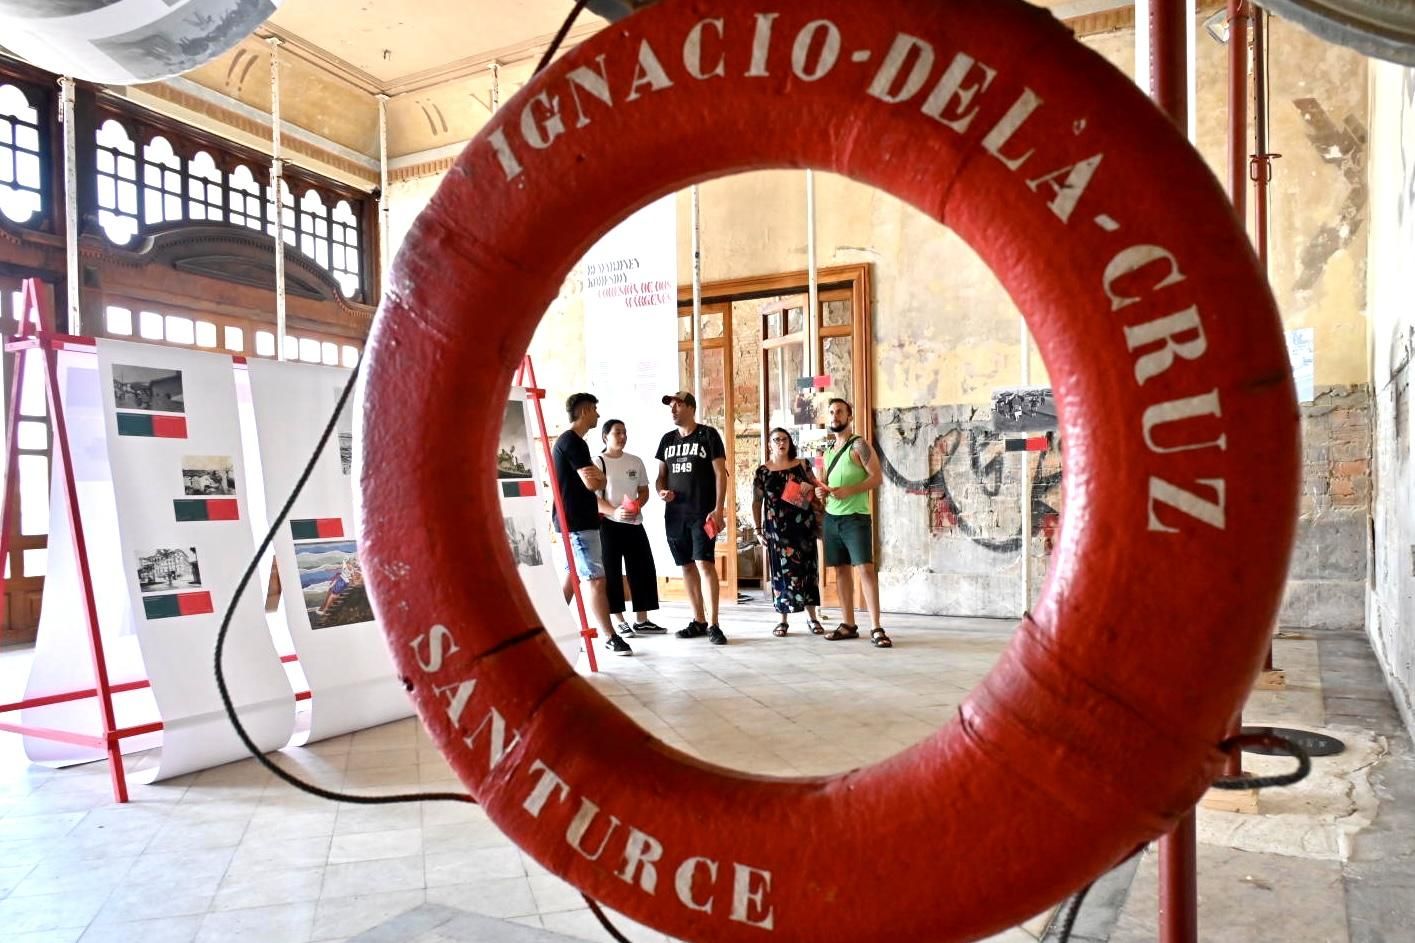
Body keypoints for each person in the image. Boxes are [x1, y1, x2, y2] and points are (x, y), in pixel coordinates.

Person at [553, 393, 632, 656]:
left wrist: (601, 478)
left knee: (573, 577)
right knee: (596, 580)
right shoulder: (572, 442)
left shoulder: (574, 442)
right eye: (595, 409)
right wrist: (601, 478)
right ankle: (610, 636)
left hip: (577, 521)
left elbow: (599, 480)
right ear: (585, 411)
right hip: (577, 523)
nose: (598, 414)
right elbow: (592, 483)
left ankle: (552, 631)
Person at [814, 398, 892, 648]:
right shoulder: (827, 450)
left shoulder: (859, 445)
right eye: (831, 412)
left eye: (839, 412)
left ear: (849, 416)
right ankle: (848, 624)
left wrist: (850, 490)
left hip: (855, 517)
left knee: (865, 570)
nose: (835, 416)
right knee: (840, 571)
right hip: (831, 518)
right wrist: (820, 492)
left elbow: (877, 478)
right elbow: (823, 481)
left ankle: (876, 627)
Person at [655, 391, 728, 645]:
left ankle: (714, 624)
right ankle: (699, 620)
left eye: (678, 405)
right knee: (686, 565)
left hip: (702, 513)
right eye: (671, 406)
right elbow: (660, 476)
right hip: (675, 515)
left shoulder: (708, 435)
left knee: (704, 564)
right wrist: (661, 491)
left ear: (691, 408)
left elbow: (720, 474)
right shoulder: (667, 440)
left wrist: (719, 509)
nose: (673, 410)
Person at [596, 418, 665, 638]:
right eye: (617, 432)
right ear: (605, 436)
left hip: (634, 523)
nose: (622, 436)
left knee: (643, 569)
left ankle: (642, 620)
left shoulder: (635, 461)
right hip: (608, 524)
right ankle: (618, 621)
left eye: (625, 432)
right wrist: (614, 511)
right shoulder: (597, 462)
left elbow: (644, 490)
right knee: (612, 572)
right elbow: (594, 499)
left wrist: (638, 504)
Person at [752, 428, 824, 636]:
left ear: (790, 442)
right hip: (777, 531)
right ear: (769, 445)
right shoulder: (763, 471)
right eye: (776, 440)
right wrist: (758, 530)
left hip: (804, 529)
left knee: (808, 572)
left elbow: (817, 490)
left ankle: (812, 618)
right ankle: (782, 620)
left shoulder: (802, 465)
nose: (781, 443)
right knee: (781, 574)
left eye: (784, 439)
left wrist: (811, 490)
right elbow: (756, 502)